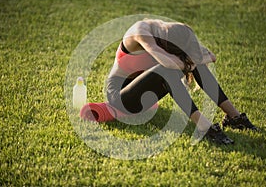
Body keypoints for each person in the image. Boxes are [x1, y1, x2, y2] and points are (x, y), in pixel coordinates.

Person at [106, 19, 257, 145]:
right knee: (167, 69)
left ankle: (234, 117)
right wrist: (191, 62)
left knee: (195, 63)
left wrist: (192, 60)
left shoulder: (175, 33)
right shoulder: (141, 33)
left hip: (146, 95)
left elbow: (211, 55)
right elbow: (168, 64)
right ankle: (204, 126)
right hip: (120, 98)